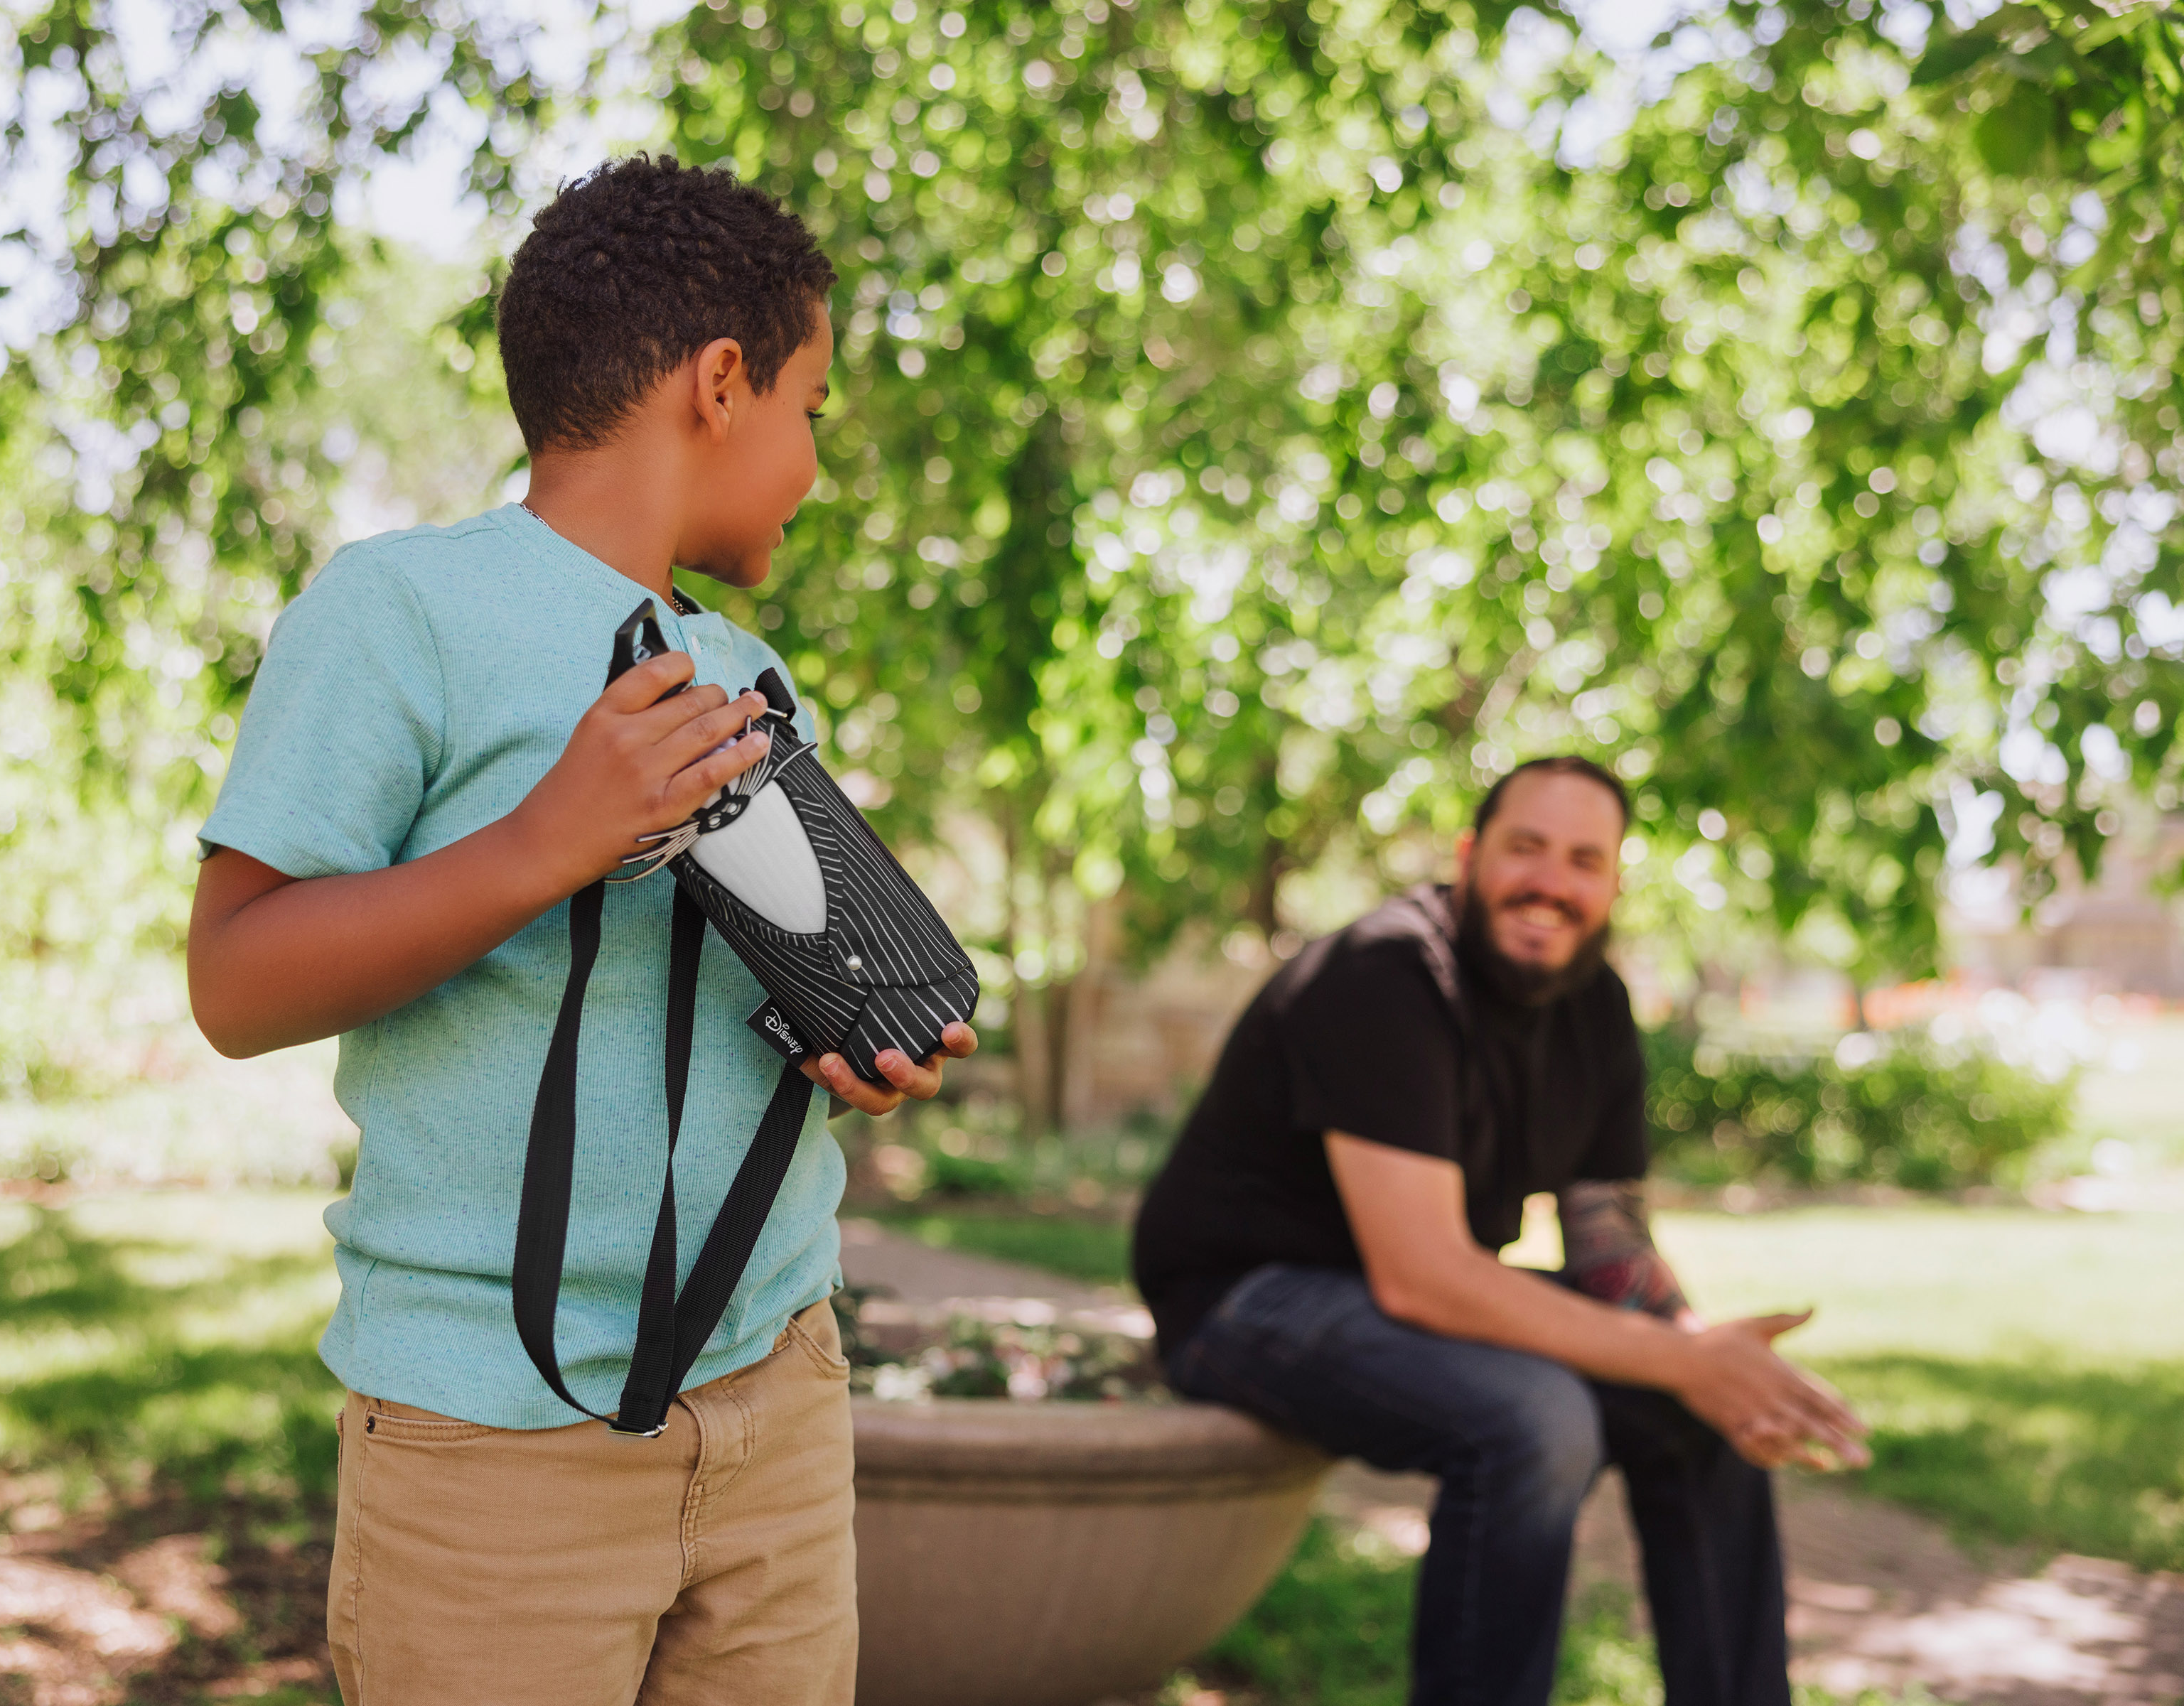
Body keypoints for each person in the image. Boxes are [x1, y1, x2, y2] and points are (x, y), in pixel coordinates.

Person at [185, 156, 977, 1706]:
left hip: (775, 1395)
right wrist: (547, 842)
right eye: (813, 408)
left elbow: (700, 993)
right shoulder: (394, 609)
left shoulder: (743, 666)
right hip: (492, 1436)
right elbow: (235, 979)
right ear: (723, 382)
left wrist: (851, 1041)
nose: (819, 460)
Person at [1132, 755, 1868, 1706]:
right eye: (1526, 848)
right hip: (1243, 1300)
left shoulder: (1594, 1004)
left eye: (1583, 860)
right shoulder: (1386, 972)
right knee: (1536, 1418)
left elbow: (1610, 1245)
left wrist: (1703, 1352)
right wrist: (1680, 1357)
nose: (1550, 884)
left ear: (1613, 883)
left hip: (1400, 1295)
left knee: (1703, 1398)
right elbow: (1423, 1276)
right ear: (1471, 855)